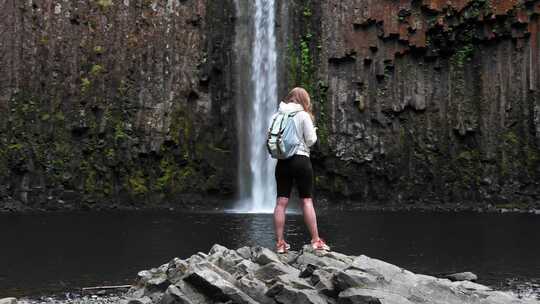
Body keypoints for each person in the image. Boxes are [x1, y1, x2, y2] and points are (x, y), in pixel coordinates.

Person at [272, 87, 330, 254]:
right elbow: (311, 141)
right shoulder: (303, 115)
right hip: (300, 159)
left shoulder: (278, 115)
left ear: (289, 98)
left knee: (281, 202)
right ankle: (316, 241)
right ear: (304, 100)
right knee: (306, 200)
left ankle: (280, 243)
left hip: (282, 162)